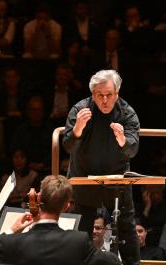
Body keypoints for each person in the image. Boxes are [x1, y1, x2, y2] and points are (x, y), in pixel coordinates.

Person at [62, 69, 140, 265]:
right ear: (92, 94)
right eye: (100, 95)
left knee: (126, 228)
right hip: (83, 176)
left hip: (117, 178)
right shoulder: (80, 110)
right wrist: (78, 129)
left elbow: (133, 149)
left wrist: (123, 140)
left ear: (117, 93)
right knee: (81, 231)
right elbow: (68, 146)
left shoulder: (127, 112)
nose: (105, 100)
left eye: (109, 95)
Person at [0, 175, 120, 265]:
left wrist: (11, 230)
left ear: (38, 198)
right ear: (66, 206)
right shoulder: (78, 240)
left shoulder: (13, 242)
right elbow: (112, 261)